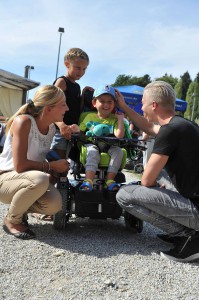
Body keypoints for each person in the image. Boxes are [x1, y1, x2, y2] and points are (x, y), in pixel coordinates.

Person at [115, 81, 199, 263]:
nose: (141, 107)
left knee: (124, 194)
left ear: (154, 105)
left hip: (197, 211)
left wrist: (153, 187)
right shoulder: (183, 125)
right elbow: (148, 127)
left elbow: (146, 181)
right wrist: (124, 108)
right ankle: (187, 233)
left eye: (143, 103)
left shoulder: (169, 131)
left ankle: (188, 236)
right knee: (159, 180)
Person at [0, 85, 70, 240]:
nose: (67, 108)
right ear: (49, 108)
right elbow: (20, 166)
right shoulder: (23, 121)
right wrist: (51, 166)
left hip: (25, 180)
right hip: (5, 179)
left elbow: (39, 159)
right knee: (41, 179)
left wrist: (59, 166)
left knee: (55, 204)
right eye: (63, 104)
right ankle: (12, 220)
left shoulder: (51, 128)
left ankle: (20, 210)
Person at [79, 85, 125, 191]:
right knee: (92, 151)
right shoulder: (89, 116)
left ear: (114, 104)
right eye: (102, 101)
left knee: (118, 151)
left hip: (109, 145)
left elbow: (119, 135)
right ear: (94, 103)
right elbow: (80, 131)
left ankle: (110, 181)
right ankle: (88, 180)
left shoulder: (114, 119)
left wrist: (120, 119)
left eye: (110, 102)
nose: (106, 105)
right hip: (92, 143)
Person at [51, 47, 93, 159]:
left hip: (72, 131)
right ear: (67, 64)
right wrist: (62, 126)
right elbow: (50, 106)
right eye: (78, 68)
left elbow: (76, 109)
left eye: (84, 69)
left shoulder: (77, 86)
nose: (81, 72)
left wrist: (83, 96)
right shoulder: (61, 82)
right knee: (57, 166)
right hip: (59, 130)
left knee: (65, 167)